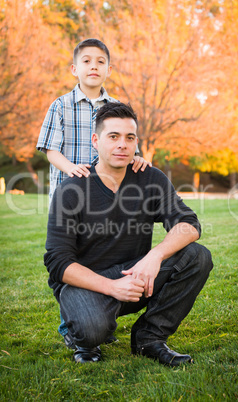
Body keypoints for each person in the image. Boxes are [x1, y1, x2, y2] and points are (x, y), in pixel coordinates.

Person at [44, 102, 213, 367]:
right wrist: (112, 287)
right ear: (96, 140)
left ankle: (149, 338)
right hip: (87, 284)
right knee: (92, 331)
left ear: (136, 142)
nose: (122, 144)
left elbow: (189, 223)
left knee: (197, 256)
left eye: (129, 137)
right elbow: (57, 262)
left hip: (135, 276)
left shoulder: (150, 179)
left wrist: (155, 256)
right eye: (113, 136)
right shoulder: (72, 189)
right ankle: (79, 332)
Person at [37, 39, 149, 345]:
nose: (93, 67)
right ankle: (73, 329)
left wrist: (137, 158)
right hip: (71, 195)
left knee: (100, 257)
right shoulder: (61, 105)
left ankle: (100, 317)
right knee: (72, 261)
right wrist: (71, 166)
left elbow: (127, 142)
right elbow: (49, 149)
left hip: (106, 197)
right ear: (75, 69)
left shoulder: (115, 107)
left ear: (109, 70)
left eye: (100, 62)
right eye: (86, 61)